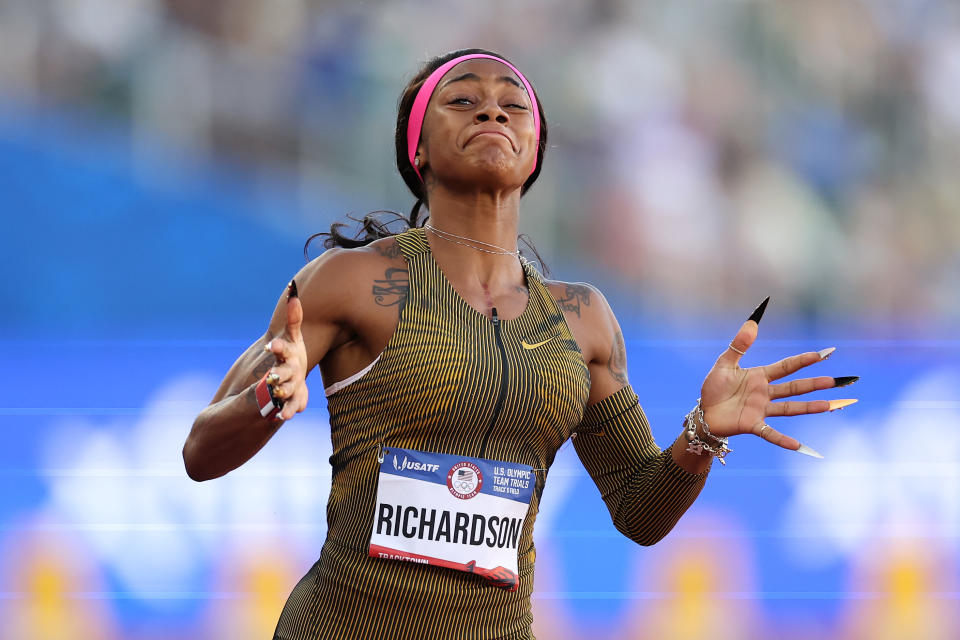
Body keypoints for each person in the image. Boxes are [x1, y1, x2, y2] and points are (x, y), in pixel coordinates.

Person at [182, 48, 859, 640]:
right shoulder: (349, 282)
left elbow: (639, 508)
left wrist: (700, 435)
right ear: (416, 147)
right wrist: (268, 400)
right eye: (464, 101)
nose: (493, 114)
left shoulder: (582, 320)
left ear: (534, 151)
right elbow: (200, 453)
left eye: (514, 107)